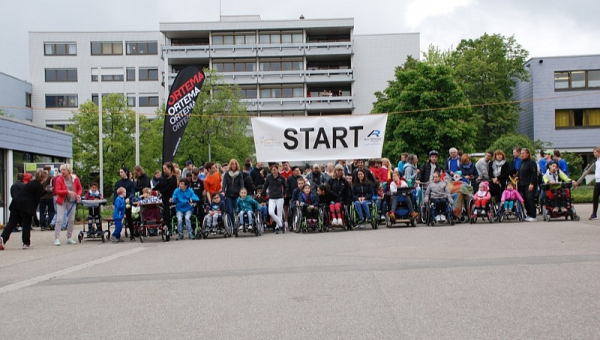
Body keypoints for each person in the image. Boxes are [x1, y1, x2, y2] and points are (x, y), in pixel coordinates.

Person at [1, 169, 49, 250]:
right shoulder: (39, 186)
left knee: (12, 222)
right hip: (26, 205)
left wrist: (45, 191)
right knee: (26, 224)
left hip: (16, 202)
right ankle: (26, 243)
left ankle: (2, 238)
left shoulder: (30, 183)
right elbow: (36, 198)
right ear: (43, 178)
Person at [54, 164, 82, 246]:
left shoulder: (75, 179)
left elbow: (79, 188)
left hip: (71, 201)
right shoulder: (59, 179)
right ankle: (57, 238)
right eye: (61, 170)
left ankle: (69, 237)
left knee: (71, 219)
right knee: (59, 219)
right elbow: (57, 191)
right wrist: (67, 192)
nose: (62, 172)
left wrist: (78, 194)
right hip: (62, 201)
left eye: (64, 170)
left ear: (69, 171)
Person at [153, 162, 179, 234]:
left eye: (165, 169)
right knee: (164, 211)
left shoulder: (173, 177)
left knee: (168, 211)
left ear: (169, 168)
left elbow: (169, 187)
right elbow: (160, 184)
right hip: (164, 196)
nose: (164, 170)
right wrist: (152, 189)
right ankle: (165, 225)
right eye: (163, 169)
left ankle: (169, 227)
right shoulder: (164, 177)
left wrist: (161, 191)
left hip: (170, 196)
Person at [260, 163, 286, 234]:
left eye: (275, 170)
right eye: (272, 170)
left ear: (278, 170)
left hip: (280, 197)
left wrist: (284, 194)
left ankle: (277, 227)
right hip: (271, 197)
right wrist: (263, 193)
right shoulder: (269, 177)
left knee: (279, 213)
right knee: (271, 212)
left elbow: (285, 186)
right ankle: (281, 224)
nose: (273, 171)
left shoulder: (281, 178)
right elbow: (265, 186)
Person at [114, 166, 135, 240]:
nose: (120, 173)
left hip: (127, 202)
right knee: (119, 218)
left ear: (126, 172)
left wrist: (129, 198)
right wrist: (115, 203)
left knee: (129, 218)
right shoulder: (118, 183)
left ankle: (132, 234)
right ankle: (117, 235)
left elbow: (133, 192)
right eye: (119, 172)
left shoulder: (130, 182)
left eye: (121, 172)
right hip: (119, 202)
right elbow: (115, 193)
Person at [516, 148, 538, 222]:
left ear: (528, 154)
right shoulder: (521, 162)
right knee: (524, 199)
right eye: (521, 153)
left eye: (524, 153)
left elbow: (534, 174)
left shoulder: (531, 163)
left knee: (530, 199)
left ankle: (533, 215)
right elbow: (520, 172)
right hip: (522, 184)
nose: (522, 155)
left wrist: (532, 183)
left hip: (529, 184)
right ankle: (528, 214)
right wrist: (517, 177)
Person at [39, 166, 55, 231]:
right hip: (49, 196)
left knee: (42, 211)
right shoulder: (51, 177)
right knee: (51, 211)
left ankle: (42, 225)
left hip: (41, 196)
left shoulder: (41, 177)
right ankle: (49, 223)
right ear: (49, 169)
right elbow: (53, 186)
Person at [590, 146, 600, 220]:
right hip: (597, 181)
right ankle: (594, 214)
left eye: (595, 152)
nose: (594, 153)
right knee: (595, 198)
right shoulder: (596, 161)